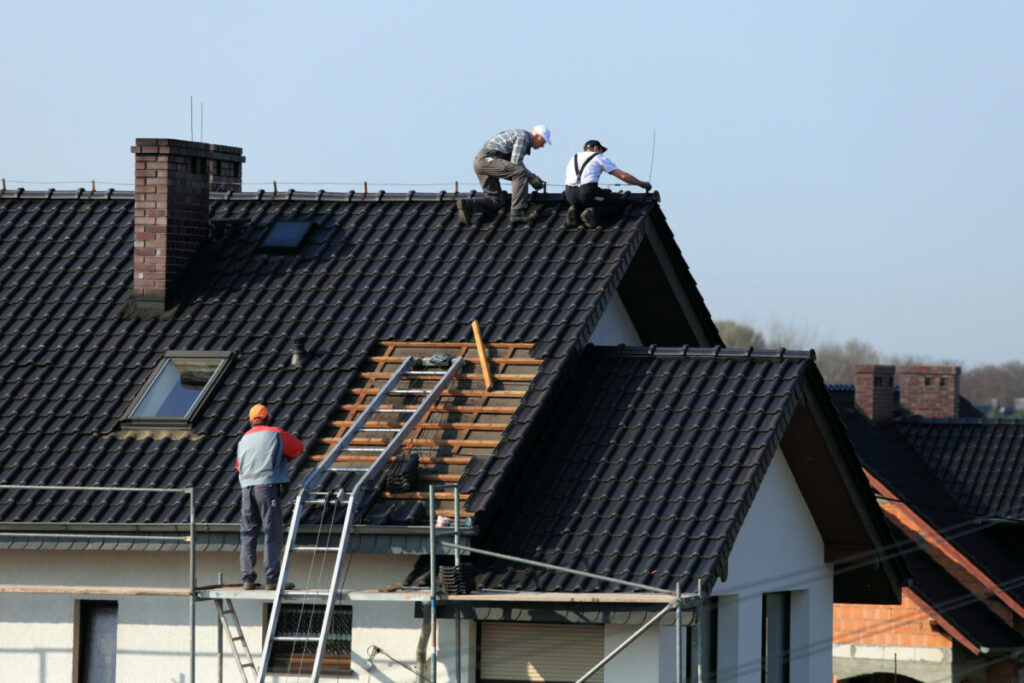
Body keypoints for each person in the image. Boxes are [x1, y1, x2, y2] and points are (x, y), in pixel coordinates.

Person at [236, 403, 303, 590]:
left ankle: (247, 578)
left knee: (248, 533)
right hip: (266, 488)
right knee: (272, 533)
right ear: (267, 418)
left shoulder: (243, 440)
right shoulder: (275, 433)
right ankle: (272, 579)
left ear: (250, 421)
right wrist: (280, 458)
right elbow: (297, 448)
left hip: (246, 489)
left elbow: (239, 466)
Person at [457, 125, 551, 226]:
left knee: (497, 200)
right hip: (488, 159)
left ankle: (468, 205)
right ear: (537, 136)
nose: (543, 146)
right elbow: (516, 165)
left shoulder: (518, 135)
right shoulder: (524, 137)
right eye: (544, 142)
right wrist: (531, 178)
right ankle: (517, 212)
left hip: (479, 162)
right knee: (520, 173)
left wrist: (531, 177)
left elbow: (513, 165)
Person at [563, 139, 652, 229]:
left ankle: (576, 210)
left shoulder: (574, 157)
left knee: (588, 200)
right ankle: (593, 213)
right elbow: (623, 176)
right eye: (601, 151)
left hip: (570, 194)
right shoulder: (599, 157)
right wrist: (641, 183)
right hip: (588, 193)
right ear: (596, 148)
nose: (602, 153)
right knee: (617, 203)